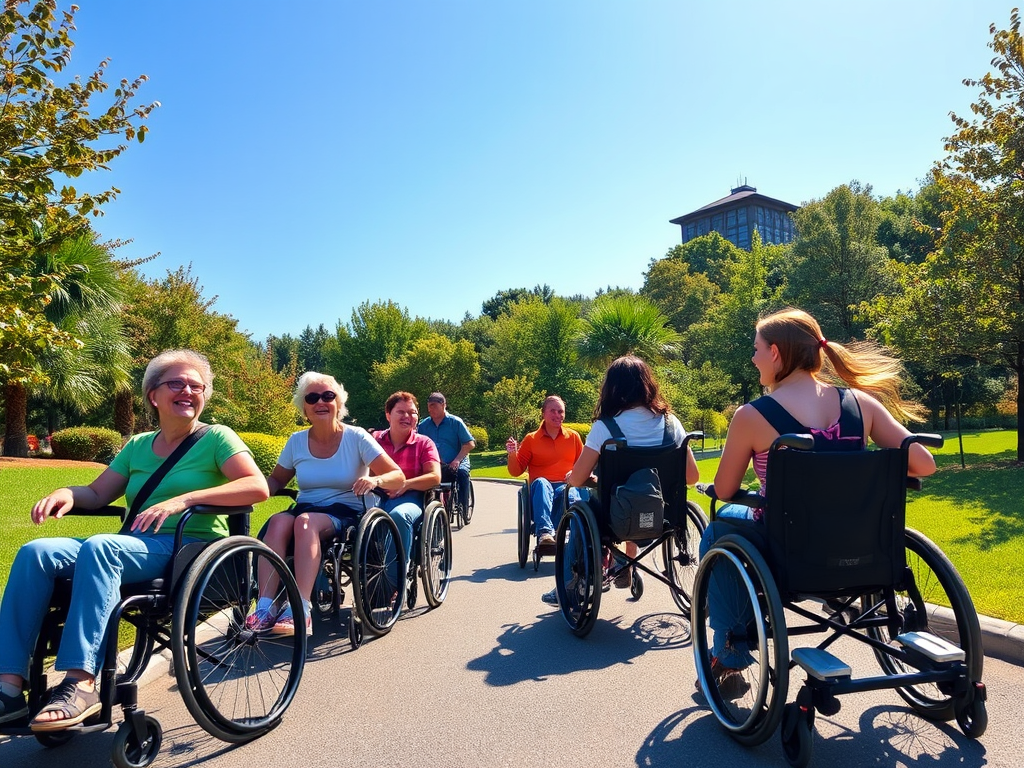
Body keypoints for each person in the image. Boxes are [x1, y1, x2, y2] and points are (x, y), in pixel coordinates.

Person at [0, 350, 269, 731]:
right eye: (176, 383)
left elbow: (256, 486)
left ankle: (81, 684)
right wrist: (69, 493)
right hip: (133, 546)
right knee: (36, 553)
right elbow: (97, 494)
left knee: (102, 547)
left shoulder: (217, 438)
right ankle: (8, 688)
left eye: (196, 385)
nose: (188, 391)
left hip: (187, 547)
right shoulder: (139, 445)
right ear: (153, 395)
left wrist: (186, 499)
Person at [698, 306, 936, 698]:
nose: (753, 357)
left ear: (776, 353)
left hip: (792, 547)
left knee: (720, 528)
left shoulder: (752, 416)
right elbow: (923, 464)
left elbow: (724, 489)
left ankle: (730, 650)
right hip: (863, 544)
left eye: (756, 349)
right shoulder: (861, 404)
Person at [248, 373, 405, 637]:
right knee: (277, 522)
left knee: (304, 522)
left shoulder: (356, 437)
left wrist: (374, 479)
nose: (320, 402)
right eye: (312, 397)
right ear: (304, 407)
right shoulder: (296, 441)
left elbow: (397, 476)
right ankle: (265, 606)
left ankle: (301, 608)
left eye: (328, 396)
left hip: (346, 510)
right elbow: (277, 479)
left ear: (339, 402)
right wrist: (255, 491)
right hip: (306, 506)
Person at [545, 356, 699, 605]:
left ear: (612, 389)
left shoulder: (606, 428)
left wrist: (575, 478)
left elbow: (579, 478)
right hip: (664, 514)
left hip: (617, 518)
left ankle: (570, 584)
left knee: (580, 503)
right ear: (648, 384)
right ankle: (624, 563)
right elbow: (691, 477)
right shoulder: (672, 424)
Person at [372, 392, 442, 573]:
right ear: (388, 415)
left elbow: (435, 477)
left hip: (412, 497)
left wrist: (405, 484)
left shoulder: (424, 443)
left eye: (412, 412)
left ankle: (396, 580)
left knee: (399, 515)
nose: (407, 417)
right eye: (400, 412)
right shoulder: (374, 441)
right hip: (376, 496)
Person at [505, 395, 584, 548]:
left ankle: (570, 530)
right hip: (541, 490)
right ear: (543, 413)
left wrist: (575, 474)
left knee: (571, 491)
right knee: (541, 482)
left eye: (560, 411)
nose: (557, 415)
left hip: (564, 485)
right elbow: (516, 471)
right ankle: (545, 533)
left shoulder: (573, 437)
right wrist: (513, 454)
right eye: (552, 411)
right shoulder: (531, 439)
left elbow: (582, 464)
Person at [417, 392, 475, 518]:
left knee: (462, 474)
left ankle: (464, 506)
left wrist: (457, 460)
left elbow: (469, 444)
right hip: (436, 464)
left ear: (443, 405)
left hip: (457, 460)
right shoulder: (423, 426)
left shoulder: (455, 422)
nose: (430, 409)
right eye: (429, 406)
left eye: (433, 405)